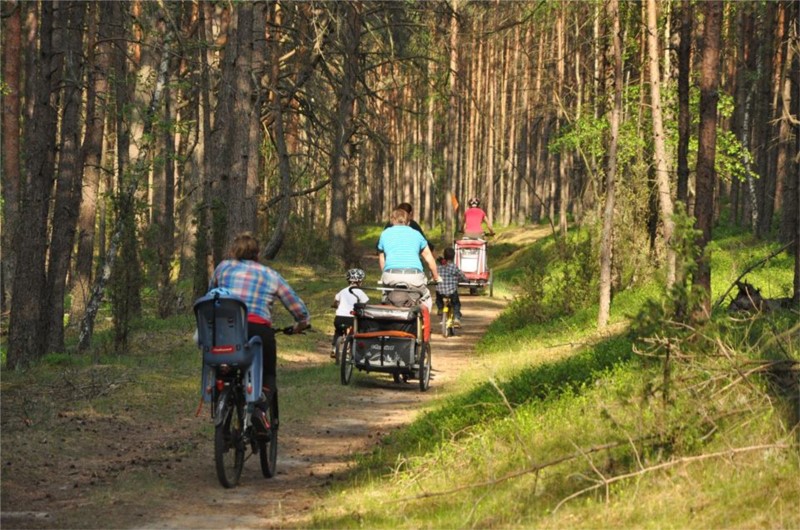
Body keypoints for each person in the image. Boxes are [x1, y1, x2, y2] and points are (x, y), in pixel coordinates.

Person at [209, 231, 310, 430]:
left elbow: (211, 293)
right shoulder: (271, 275)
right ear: (258, 253)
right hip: (258, 331)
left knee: (224, 366)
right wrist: (302, 323)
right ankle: (260, 409)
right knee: (268, 373)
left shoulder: (223, 268)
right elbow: (296, 307)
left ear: (234, 251)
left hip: (225, 332)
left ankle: (223, 392)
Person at [377, 208, 440, 311]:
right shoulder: (417, 234)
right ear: (409, 222)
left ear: (392, 221)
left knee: (386, 294)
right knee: (425, 298)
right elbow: (429, 257)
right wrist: (436, 277)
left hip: (391, 276)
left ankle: (386, 310)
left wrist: (384, 274)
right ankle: (423, 324)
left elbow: (382, 257)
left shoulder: (385, 234)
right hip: (414, 276)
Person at [331, 268, 369, 357]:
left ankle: (334, 349)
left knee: (338, 331)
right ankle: (351, 349)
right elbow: (365, 304)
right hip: (351, 319)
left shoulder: (342, 291)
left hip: (339, 318)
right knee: (355, 332)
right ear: (360, 281)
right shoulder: (360, 292)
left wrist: (335, 306)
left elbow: (335, 301)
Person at [435, 247, 467, 326]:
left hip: (440, 291)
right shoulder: (453, 267)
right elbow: (461, 276)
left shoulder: (438, 266)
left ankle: (440, 308)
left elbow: (432, 274)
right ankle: (456, 318)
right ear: (453, 256)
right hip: (452, 291)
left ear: (444, 255)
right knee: (456, 303)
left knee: (438, 298)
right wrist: (466, 280)